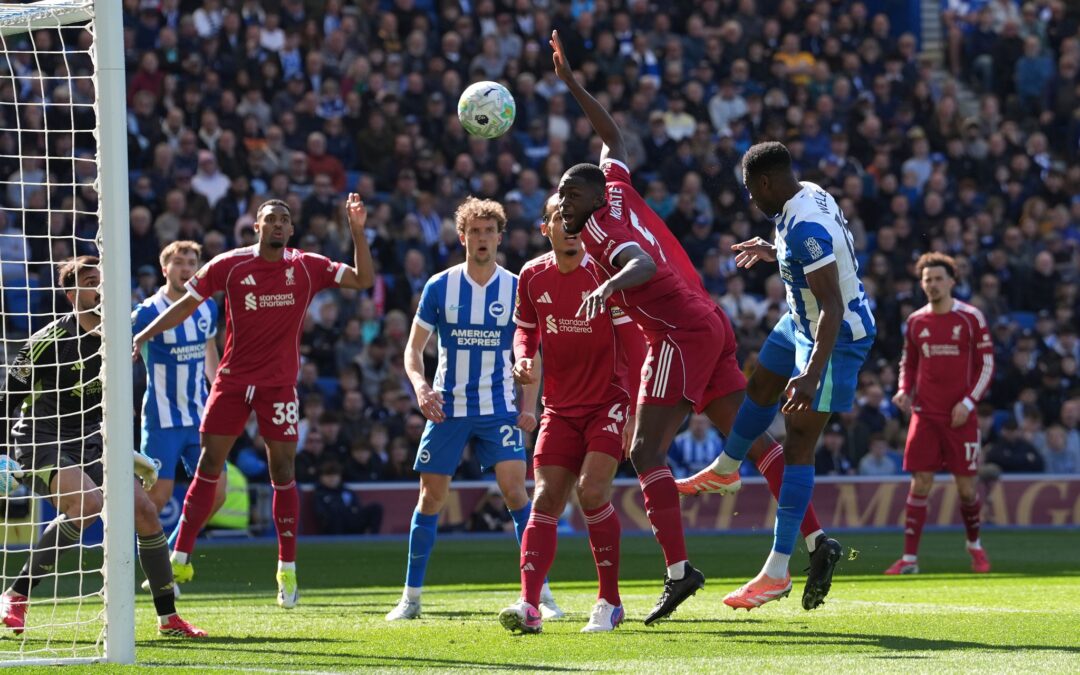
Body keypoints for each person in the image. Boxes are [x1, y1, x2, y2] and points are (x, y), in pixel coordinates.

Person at [550, 32, 839, 622]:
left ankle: (680, 572)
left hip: (679, 333)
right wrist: (575, 86)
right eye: (560, 196)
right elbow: (614, 137)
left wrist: (607, 284)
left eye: (568, 194)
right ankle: (816, 541)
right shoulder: (617, 187)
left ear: (591, 195)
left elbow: (642, 262)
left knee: (645, 449)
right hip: (707, 323)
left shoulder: (604, 229)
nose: (561, 204)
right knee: (755, 443)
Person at [132, 195, 374, 609]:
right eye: (270, 219)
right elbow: (185, 306)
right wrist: (143, 335)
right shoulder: (229, 265)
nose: (278, 225)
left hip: (278, 387)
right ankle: (181, 558)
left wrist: (356, 231)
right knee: (209, 467)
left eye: (285, 219)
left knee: (283, 470)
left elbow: (361, 279)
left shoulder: (306, 265)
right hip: (231, 383)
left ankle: (287, 568)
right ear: (256, 228)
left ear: (291, 229)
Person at [684, 141, 875, 611]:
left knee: (797, 446)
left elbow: (832, 305)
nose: (751, 199)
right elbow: (815, 256)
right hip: (799, 318)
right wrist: (776, 251)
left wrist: (811, 375)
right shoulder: (805, 195)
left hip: (834, 338)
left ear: (766, 183)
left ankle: (777, 570)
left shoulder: (806, 225)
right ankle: (727, 469)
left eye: (751, 191)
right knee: (761, 384)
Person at [1, 256, 206, 638]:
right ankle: (16, 595)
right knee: (89, 504)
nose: (101, 287)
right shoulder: (45, 342)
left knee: (145, 511)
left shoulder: (120, 340)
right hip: (40, 437)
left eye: (104, 279)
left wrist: (129, 454)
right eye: (92, 280)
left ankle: (168, 618)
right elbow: (6, 399)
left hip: (91, 439)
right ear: (71, 294)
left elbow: (118, 407)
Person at [385, 196, 561, 622]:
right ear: (462, 236)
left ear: (500, 237)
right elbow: (413, 350)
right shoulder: (439, 286)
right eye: (475, 231)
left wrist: (528, 406)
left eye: (489, 231)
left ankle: (541, 596)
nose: (482, 239)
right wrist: (422, 388)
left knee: (518, 493)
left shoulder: (519, 287)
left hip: (499, 407)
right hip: (448, 407)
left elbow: (531, 353)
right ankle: (410, 597)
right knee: (431, 497)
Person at [498, 195, 645, 635]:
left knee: (592, 492)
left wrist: (636, 410)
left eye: (574, 217)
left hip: (609, 401)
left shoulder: (604, 275)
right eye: (559, 218)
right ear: (545, 228)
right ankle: (529, 605)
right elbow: (525, 332)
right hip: (559, 408)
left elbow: (635, 345)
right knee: (543, 499)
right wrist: (522, 359)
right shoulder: (531, 275)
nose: (569, 224)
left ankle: (609, 602)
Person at [887, 253, 995, 575]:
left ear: (952, 281)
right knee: (920, 483)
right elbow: (909, 363)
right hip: (925, 415)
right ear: (922, 285)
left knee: (966, 489)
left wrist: (969, 403)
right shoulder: (916, 321)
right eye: (927, 280)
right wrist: (904, 389)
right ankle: (909, 560)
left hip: (960, 416)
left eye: (937, 279)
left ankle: (974, 546)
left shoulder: (971, 318)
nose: (932, 285)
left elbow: (986, 365)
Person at [132, 241, 228, 565]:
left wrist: (220, 391)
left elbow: (210, 350)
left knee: (216, 494)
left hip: (201, 416)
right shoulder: (145, 313)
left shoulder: (207, 307)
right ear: (165, 268)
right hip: (162, 420)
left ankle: (172, 554)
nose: (186, 268)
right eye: (179, 262)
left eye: (192, 262)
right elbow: (123, 357)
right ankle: (125, 562)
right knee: (155, 499)